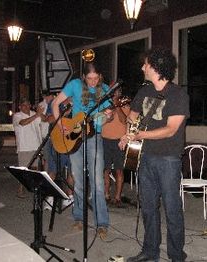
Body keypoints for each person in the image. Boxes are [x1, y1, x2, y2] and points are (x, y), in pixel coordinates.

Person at [119, 47, 189, 262]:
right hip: (146, 157)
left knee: (172, 209)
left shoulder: (177, 94)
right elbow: (131, 117)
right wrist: (128, 134)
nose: (142, 67)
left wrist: (140, 134)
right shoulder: (144, 91)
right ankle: (150, 252)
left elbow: (170, 129)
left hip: (168, 159)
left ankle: (176, 255)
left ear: (156, 67)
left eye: (146, 64)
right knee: (148, 207)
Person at [52, 61, 111, 239]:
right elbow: (56, 103)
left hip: (95, 136)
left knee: (98, 182)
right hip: (74, 137)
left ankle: (101, 223)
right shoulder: (75, 85)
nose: (93, 82)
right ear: (84, 77)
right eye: (90, 79)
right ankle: (79, 217)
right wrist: (60, 122)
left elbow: (107, 117)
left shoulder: (105, 89)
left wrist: (107, 117)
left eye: (96, 78)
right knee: (78, 180)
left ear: (100, 76)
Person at [102, 88, 130, 207]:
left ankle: (117, 196)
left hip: (119, 141)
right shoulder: (104, 105)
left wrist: (117, 107)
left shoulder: (125, 105)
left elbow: (125, 121)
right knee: (105, 169)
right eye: (113, 93)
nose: (115, 95)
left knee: (119, 169)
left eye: (118, 93)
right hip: (105, 140)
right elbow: (100, 121)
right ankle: (106, 194)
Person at [13, 97, 44, 198]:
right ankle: (20, 189)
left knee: (35, 169)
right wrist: (37, 115)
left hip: (36, 146)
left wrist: (41, 112)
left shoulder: (34, 113)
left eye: (28, 105)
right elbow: (23, 123)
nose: (26, 107)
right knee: (23, 170)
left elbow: (44, 119)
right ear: (20, 107)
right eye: (24, 105)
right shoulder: (17, 115)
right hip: (24, 147)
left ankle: (35, 189)